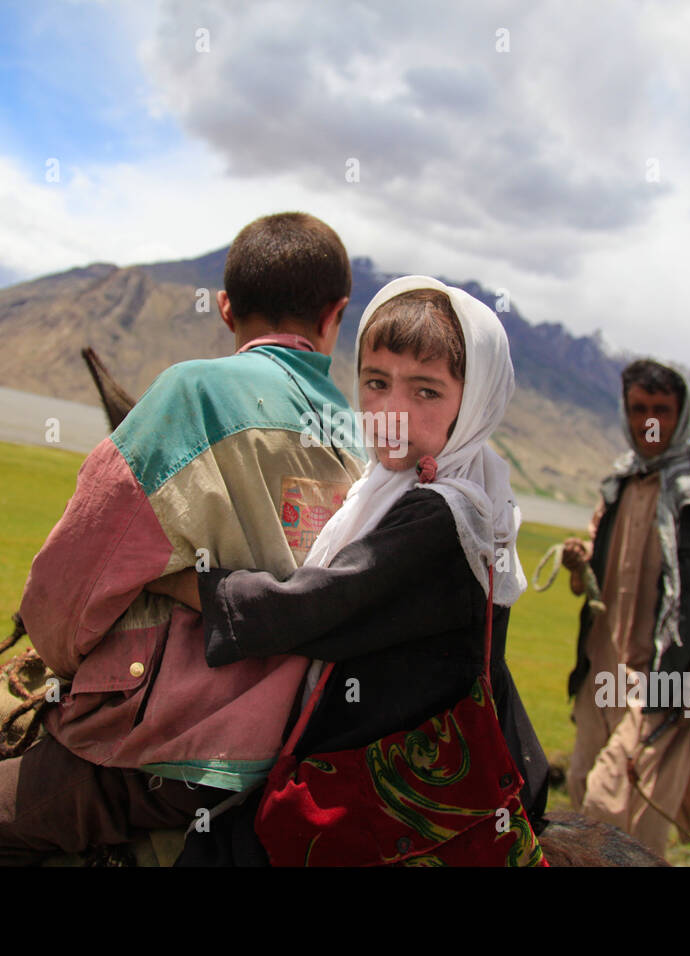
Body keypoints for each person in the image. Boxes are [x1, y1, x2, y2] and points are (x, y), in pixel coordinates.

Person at [0, 212, 368, 865]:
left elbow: (72, 579)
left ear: (225, 310)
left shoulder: (192, 394)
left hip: (180, 749)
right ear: (336, 315)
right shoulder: (366, 441)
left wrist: (63, 658)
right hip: (314, 737)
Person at [148, 276, 550, 865]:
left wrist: (174, 580)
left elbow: (314, 606)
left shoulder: (446, 513)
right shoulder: (397, 486)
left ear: (476, 402)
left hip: (396, 783)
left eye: (427, 392)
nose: (391, 410)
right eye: (376, 382)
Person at [561, 358, 690, 861]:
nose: (649, 422)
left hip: (666, 680)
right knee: (582, 792)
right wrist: (580, 562)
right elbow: (599, 584)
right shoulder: (620, 482)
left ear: (680, 414)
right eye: (638, 408)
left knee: (621, 808)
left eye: (661, 410)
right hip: (603, 672)